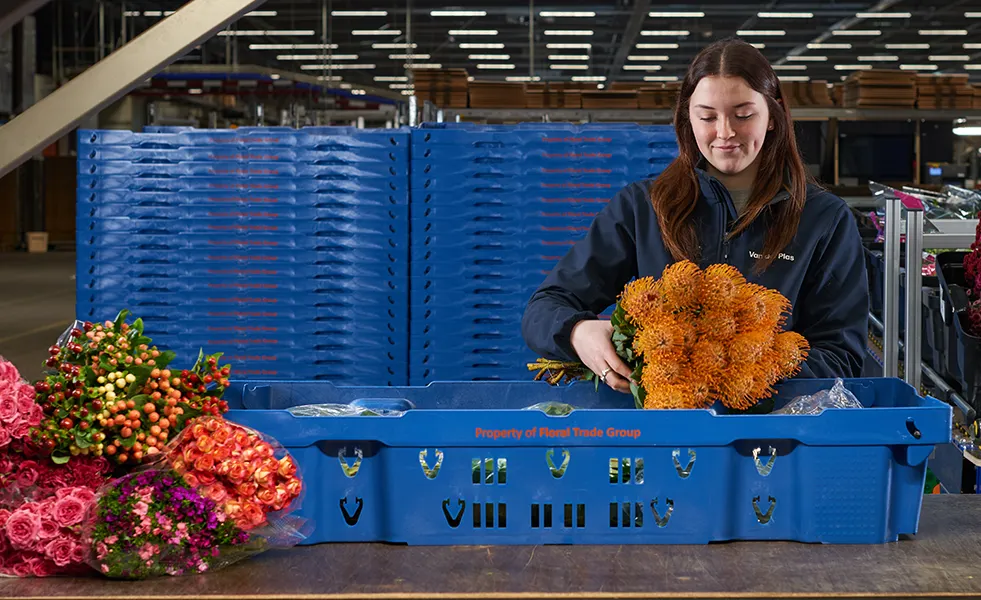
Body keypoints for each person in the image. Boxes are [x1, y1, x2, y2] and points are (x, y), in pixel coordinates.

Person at [521, 38, 869, 393]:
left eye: (743, 115)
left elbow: (841, 354)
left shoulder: (823, 219)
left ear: (773, 118)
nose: (725, 132)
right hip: (664, 429)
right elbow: (545, 307)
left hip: (774, 431)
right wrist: (579, 333)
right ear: (688, 119)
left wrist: (739, 372)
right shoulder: (643, 207)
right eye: (707, 116)